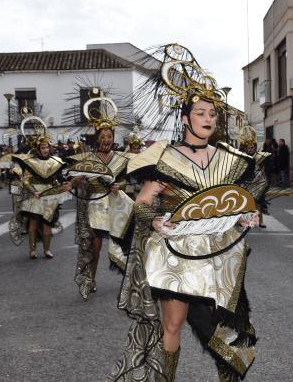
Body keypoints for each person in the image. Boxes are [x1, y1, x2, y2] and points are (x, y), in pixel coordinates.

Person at [109, 44, 261, 382]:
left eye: (212, 113)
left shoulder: (229, 159)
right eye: (201, 113)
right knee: (173, 324)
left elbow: (235, 202)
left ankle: (228, 374)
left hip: (220, 256)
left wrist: (246, 215)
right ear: (184, 119)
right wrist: (155, 220)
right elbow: (142, 203)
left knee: (227, 326)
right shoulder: (164, 159)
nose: (209, 119)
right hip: (176, 255)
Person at [65, 89, 135, 300]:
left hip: (116, 205)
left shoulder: (122, 158)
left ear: (114, 137)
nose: (106, 139)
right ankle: (91, 278)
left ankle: (130, 280)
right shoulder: (87, 158)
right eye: (103, 136)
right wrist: (77, 181)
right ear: (97, 138)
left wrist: (119, 185)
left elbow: (128, 181)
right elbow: (76, 179)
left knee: (123, 245)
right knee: (94, 248)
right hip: (95, 206)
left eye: (110, 136)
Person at [9, 117, 69, 260]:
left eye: (47, 147)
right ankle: (32, 250)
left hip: (49, 196)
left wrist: (61, 186)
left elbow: (55, 179)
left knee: (47, 224)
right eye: (42, 147)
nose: (45, 150)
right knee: (34, 223)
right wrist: (33, 191)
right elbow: (26, 180)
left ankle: (47, 250)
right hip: (35, 195)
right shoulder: (31, 162)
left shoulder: (55, 162)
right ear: (38, 148)